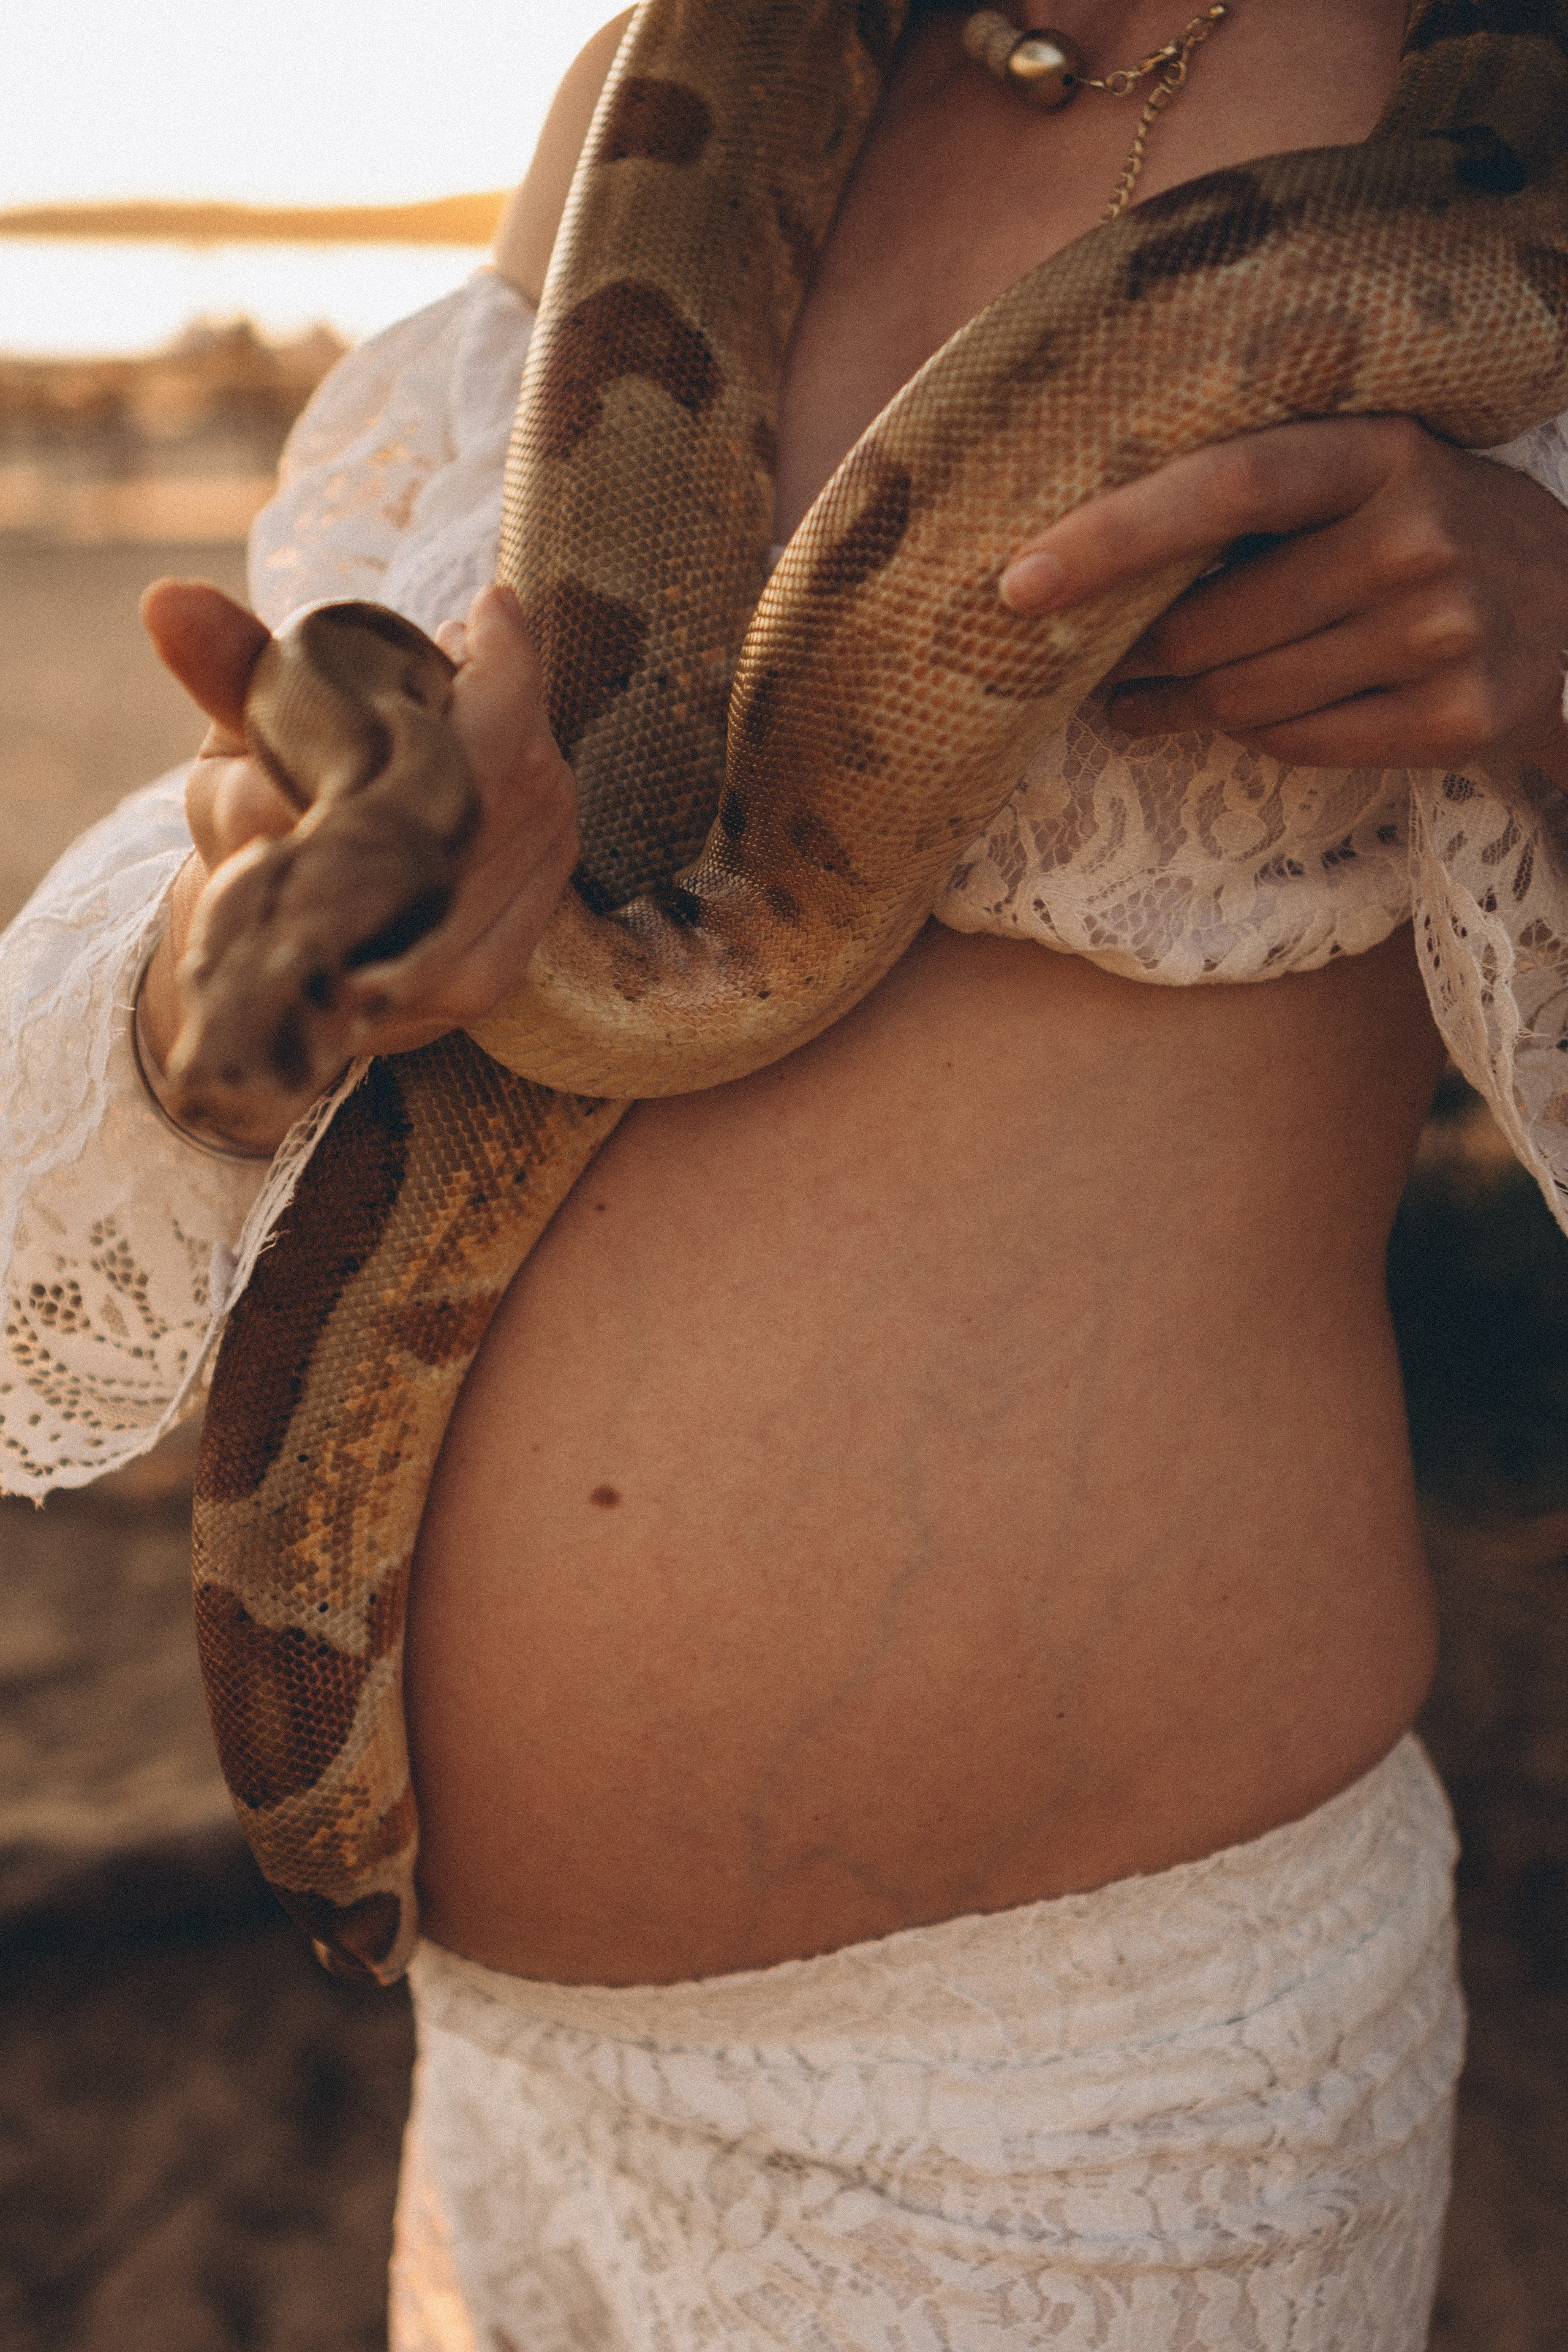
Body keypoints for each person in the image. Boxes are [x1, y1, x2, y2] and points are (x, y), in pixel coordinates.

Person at [6, 1, 1568, 2343]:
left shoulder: (1493, 127)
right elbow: (350, 829)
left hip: (1092, 2120)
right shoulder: (665, 82)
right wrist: (279, 883)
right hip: (515, 2086)